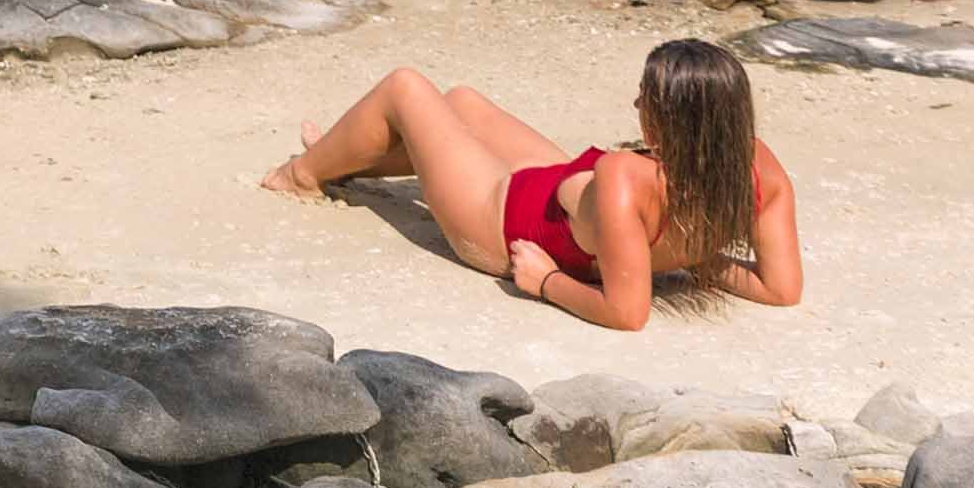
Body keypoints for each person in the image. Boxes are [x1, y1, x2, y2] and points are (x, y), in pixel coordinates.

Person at [257, 39, 802, 332]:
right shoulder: (757, 167)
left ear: (676, 120)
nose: (636, 107)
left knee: (406, 88)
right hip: (566, 195)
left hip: (501, 221)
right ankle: (341, 152)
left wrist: (544, 283)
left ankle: (301, 174)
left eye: (646, 100)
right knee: (462, 104)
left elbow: (627, 313)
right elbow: (782, 289)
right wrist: (699, 254)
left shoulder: (624, 180)